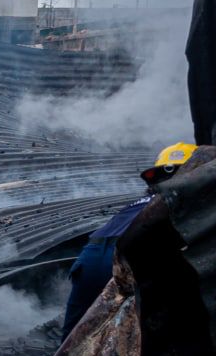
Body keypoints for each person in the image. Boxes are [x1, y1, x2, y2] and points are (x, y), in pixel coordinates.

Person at [61, 141, 198, 341]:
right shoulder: (181, 200)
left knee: (75, 337)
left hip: (91, 257)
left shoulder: (138, 203)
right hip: (131, 254)